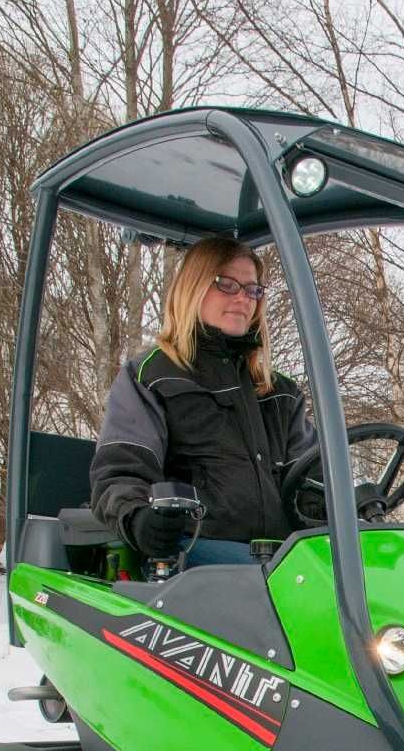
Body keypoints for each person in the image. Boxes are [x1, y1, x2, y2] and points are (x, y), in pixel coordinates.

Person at [90, 235, 315, 568]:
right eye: (227, 284)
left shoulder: (279, 392)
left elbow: (312, 482)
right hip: (197, 551)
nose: (243, 298)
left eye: (253, 289)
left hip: (281, 559)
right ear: (193, 287)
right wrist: (137, 516)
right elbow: (121, 471)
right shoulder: (152, 376)